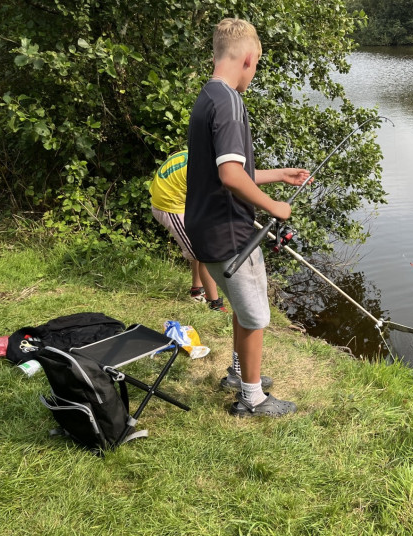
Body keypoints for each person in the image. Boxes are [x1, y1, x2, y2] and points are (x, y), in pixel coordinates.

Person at [185, 17, 310, 418]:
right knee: (256, 314)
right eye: (256, 67)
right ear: (249, 59)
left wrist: (278, 174)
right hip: (229, 231)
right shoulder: (231, 103)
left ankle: (240, 375)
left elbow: (226, 171)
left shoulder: (208, 96)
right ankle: (252, 400)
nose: (253, 75)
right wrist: (276, 206)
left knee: (243, 308)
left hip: (206, 226)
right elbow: (230, 175)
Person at [150, 149, 228, 313]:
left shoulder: (195, 153)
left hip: (181, 201)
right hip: (170, 208)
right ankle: (214, 303)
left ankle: (197, 290)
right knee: (206, 254)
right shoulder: (203, 170)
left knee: (199, 246)